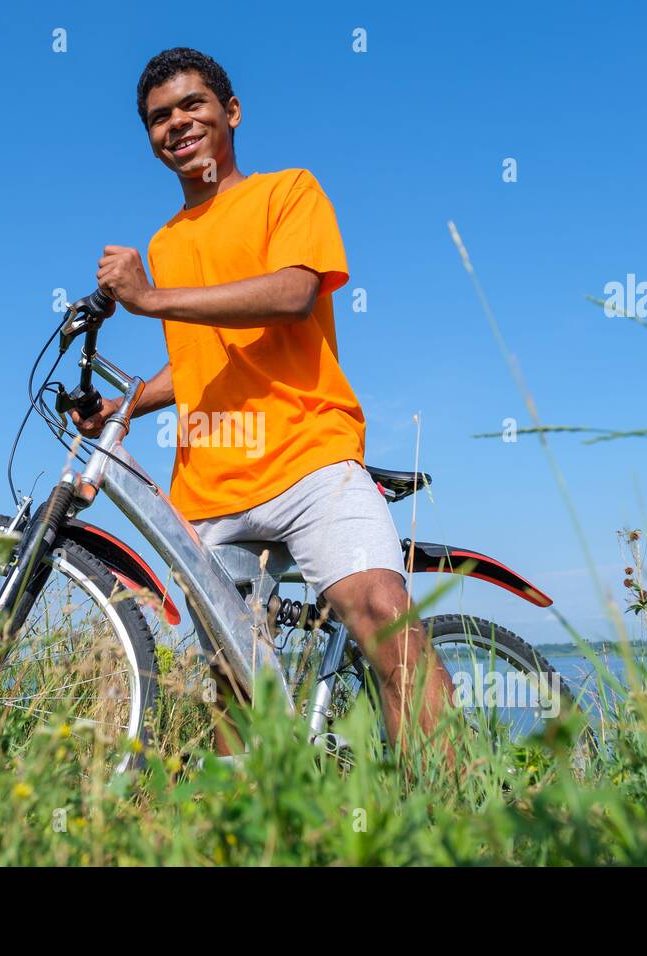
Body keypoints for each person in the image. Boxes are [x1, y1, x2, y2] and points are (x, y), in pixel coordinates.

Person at [73, 47, 453, 758]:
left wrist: (150, 298)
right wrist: (126, 407)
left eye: (192, 105)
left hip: (310, 454)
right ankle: (253, 834)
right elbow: (202, 363)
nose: (177, 123)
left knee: (383, 618)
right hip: (213, 487)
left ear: (232, 112)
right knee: (234, 676)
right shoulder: (166, 241)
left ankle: (462, 827)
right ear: (150, 140)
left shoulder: (287, 193)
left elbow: (292, 293)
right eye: (159, 117)